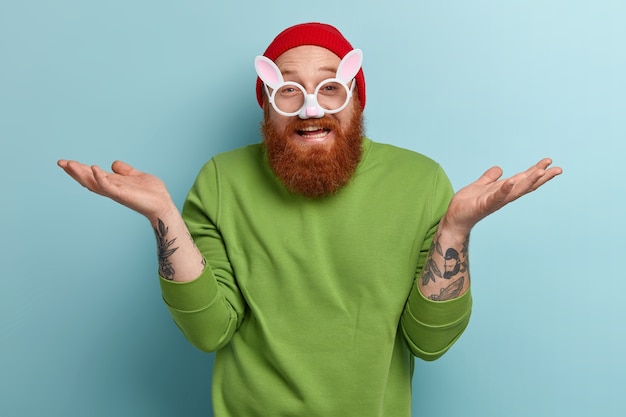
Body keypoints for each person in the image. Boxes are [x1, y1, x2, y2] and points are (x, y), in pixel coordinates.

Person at [58, 22, 561, 417]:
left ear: (356, 99)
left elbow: (429, 342)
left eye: (330, 88)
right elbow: (209, 331)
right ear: (267, 107)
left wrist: (456, 228)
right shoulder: (220, 180)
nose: (309, 108)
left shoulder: (421, 181)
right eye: (289, 91)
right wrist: (164, 216)